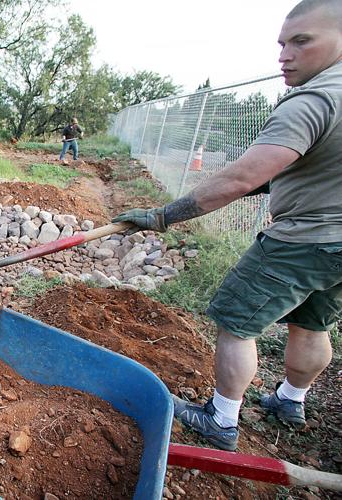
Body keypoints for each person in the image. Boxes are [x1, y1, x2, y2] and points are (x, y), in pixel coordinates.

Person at [113, 0, 342, 452]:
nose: (284, 55)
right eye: (282, 43)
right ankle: (290, 400)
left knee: (237, 323)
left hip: (303, 240)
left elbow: (240, 177)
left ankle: (220, 419)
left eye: (301, 41)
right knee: (313, 325)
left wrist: (163, 216)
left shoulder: (313, 100)